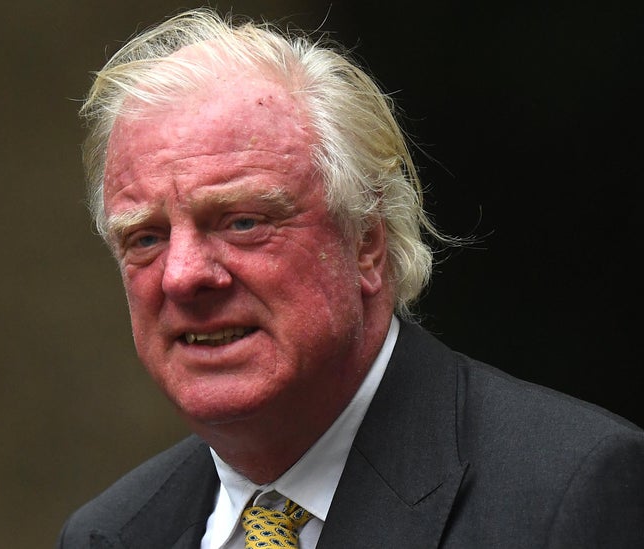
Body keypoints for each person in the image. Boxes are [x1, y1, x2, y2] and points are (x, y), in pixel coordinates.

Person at [58, 8, 644, 548]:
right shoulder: (109, 534)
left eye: (241, 222)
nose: (182, 276)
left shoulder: (569, 494)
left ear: (366, 243)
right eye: (146, 238)